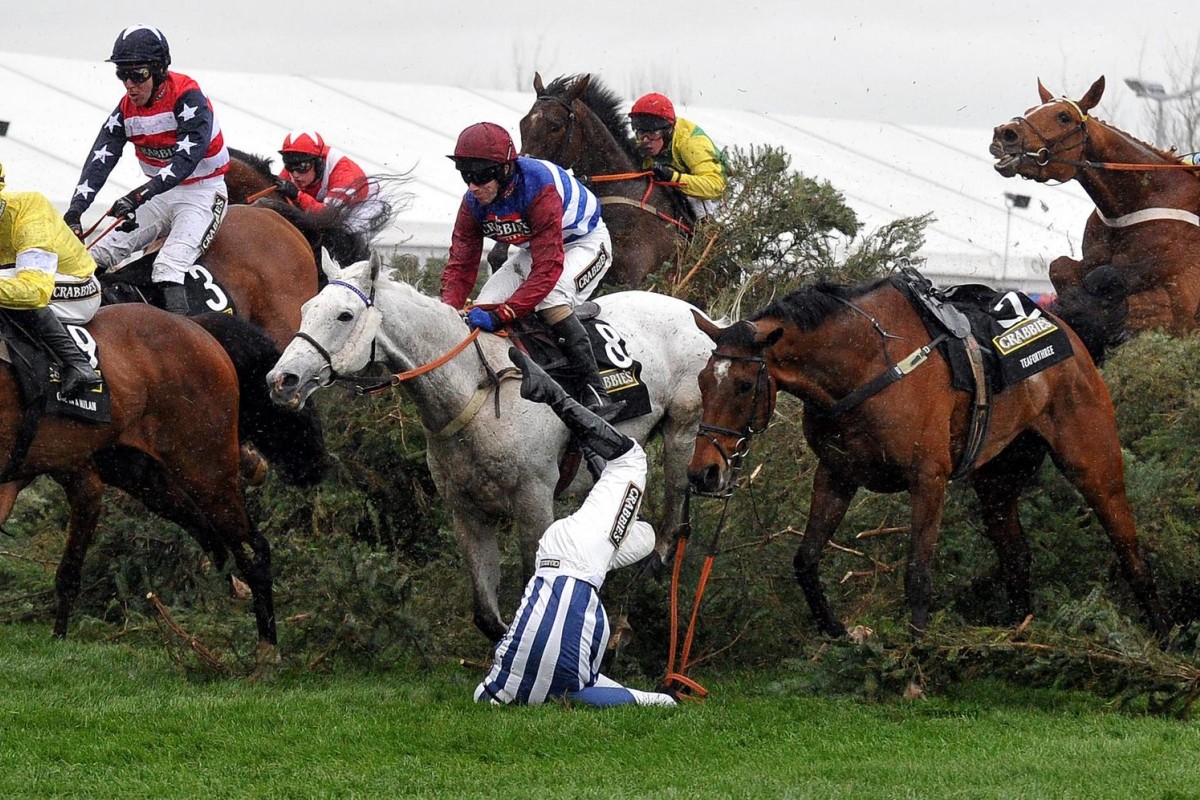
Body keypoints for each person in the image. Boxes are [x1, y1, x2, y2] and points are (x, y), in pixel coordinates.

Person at [474, 348, 677, 708]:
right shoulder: (498, 688)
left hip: (574, 559)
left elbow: (630, 697)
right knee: (637, 509)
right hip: (556, 557)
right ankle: (554, 395)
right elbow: (481, 695)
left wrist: (664, 699)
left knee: (627, 465)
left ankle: (574, 412)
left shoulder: (571, 683)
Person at [440, 121, 621, 419]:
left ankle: (595, 393)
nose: (473, 186)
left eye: (481, 176)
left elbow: (548, 270)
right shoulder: (472, 202)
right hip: (534, 249)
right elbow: (461, 264)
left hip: (585, 243)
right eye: (465, 176)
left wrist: (504, 314)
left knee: (550, 298)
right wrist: (448, 310)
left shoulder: (539, 187)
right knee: (484, 302)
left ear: (504, 170)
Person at [63, 25, 229, 316]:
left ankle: (186, 340)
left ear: (160, 70)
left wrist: (138, 195)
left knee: (168, 267)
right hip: (159, 195)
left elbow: (184, 162)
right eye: (122, 74)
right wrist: (76, 210)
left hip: (202, 193)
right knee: (93, 257)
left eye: (137, 75)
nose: (129, 84)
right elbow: (99, 159)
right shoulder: (126, 109)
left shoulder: (189, 97)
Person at [0, 160, 103, 399]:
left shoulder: (29, 211)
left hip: (78, 289)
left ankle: (78, 365)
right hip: (21, 276)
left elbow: (34, 291)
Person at [629, 92, 727, 222]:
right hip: (678, 184)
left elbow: (715, 186)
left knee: (697, 203)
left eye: (653, 133)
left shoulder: (691, 143)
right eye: (641, 132)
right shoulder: (640, 141)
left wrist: (673, 177)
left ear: (668, 131)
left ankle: (707, 238)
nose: (645, 141)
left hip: (712, 195)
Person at [275, 130, 388, 240]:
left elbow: (327, 216)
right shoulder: (294, 170)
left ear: (318, 163)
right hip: (327, 202)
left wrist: (298, 196)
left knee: (340, 238)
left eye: (302, 167)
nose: (295, 175)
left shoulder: (343, 174)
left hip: (364, 206)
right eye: (289, 166)